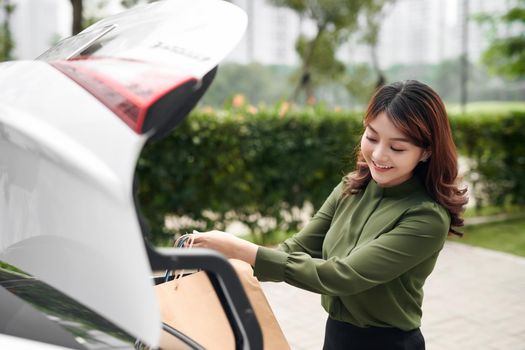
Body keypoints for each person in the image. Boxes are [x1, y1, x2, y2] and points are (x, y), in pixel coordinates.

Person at [188, 80, 468, 350]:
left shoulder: (427, 217)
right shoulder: (352, 187)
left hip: (388, 343)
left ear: (425, 152)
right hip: (336, 336)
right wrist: (224, 263)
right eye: (371, 137)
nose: (379, 155)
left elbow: (343, 276)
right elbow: (297, 248)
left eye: (397, 148)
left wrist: (243, 250)